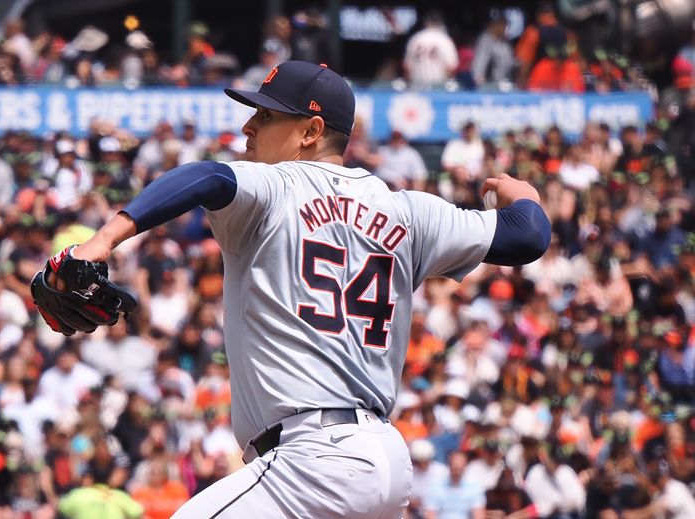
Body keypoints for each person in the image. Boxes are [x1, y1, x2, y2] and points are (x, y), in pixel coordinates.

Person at [47, 60, 550, 517]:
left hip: (313, 462)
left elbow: (206, 177)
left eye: (266, 116)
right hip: (382, 461)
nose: (248, 127)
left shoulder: (278, 186)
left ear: (310, 131)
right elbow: (527, 235)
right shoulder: (409, 210)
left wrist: (103, 239)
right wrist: (524, 196)